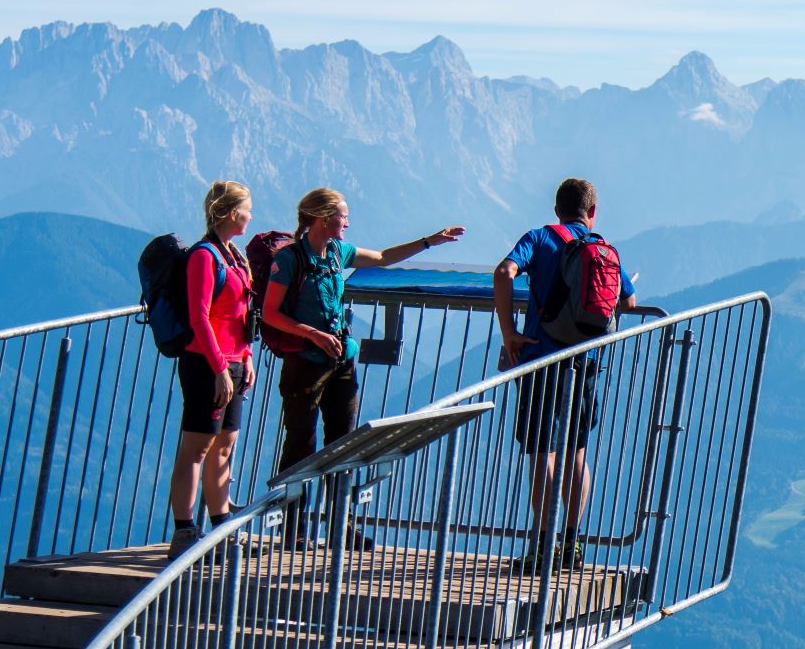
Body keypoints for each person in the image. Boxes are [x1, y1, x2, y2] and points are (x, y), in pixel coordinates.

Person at [264, 188, 464, 493]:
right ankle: (295, 527)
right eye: (343, 215)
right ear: (323, 218)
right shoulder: (290, 259)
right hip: (305, 362)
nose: (348, 222)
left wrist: (428, 242)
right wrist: (313, 334)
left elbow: (383, 257)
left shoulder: (336, 252)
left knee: (344, 444)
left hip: (341, 358)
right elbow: (270, 313)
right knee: (301, 443)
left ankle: (338, 524)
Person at [492, 176, 637, 572]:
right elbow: (629, 299)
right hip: (586, 361)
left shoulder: (540, 238)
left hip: (541, 358)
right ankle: (571, 545)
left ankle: (542, 545)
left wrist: (509, 334)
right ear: (592, 212)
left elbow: (504, 273)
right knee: (576, 453)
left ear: (557, 209)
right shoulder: (605, 249)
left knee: (543, 453)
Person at [168, 180, 256, 560]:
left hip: (233, 362)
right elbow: (199, 317)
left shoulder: (233, 255)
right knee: (196, 447)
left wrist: (246, 355)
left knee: (225, 445)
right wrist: (220, 366)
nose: (252, 216)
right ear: (233, 213)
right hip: (207, 364)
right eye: (248, 209)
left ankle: (220, 528)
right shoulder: (205, 257)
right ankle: (185, 532)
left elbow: (241, 314)